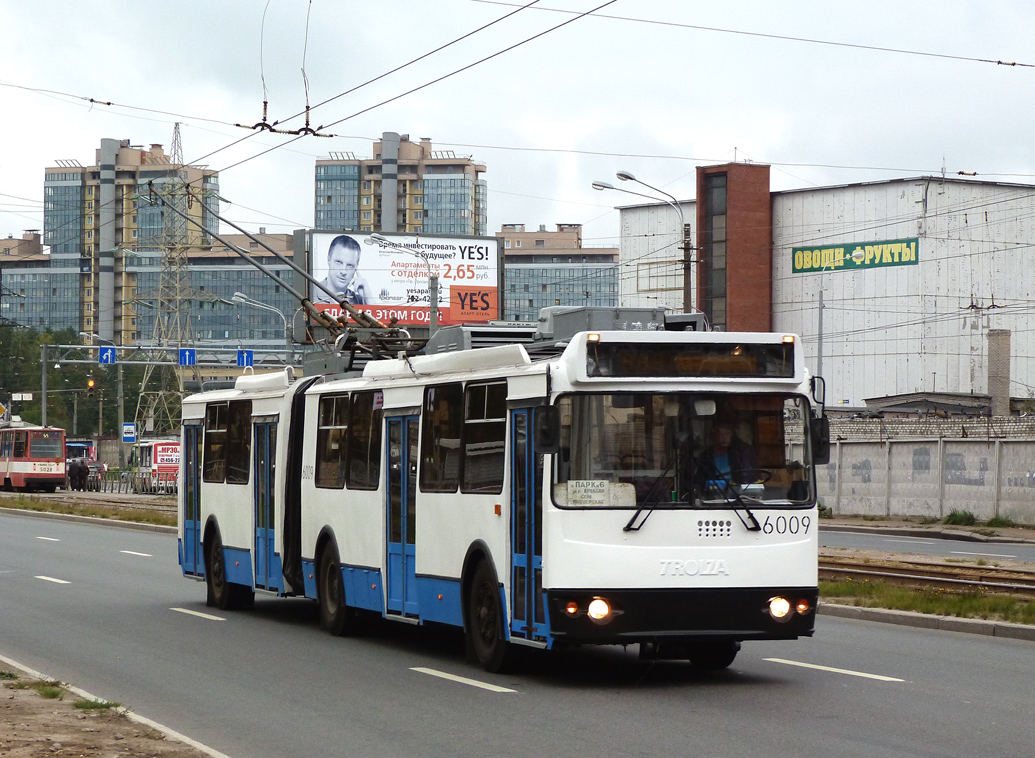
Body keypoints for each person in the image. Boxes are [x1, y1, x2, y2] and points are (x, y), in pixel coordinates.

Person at [697, 421, 757, 491]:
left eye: (727, 433)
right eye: (720, 434)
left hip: (738, 495)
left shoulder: (740, 455)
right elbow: (700, 482)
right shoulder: (705, 457)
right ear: (712, 436)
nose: (724, 437)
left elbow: (749, 477)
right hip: (714, 496)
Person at [313, 235, 370, 305]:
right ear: (329, 260)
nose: (343, 272)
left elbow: (379, 315)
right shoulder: (310, 292)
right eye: (339, 262)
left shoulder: (360, 300)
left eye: (350, 265)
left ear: (356, 267)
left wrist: (368, 298)